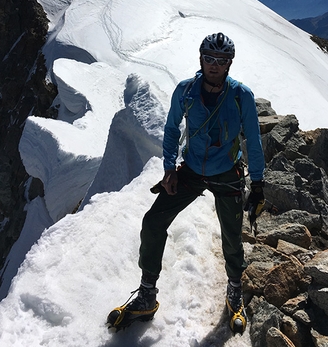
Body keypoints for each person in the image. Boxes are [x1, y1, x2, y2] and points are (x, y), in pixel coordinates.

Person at [107, 32, 265, 333]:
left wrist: (257, 184)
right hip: (191, 170)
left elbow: (253, 141)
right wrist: (169, 168)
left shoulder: (240, 95)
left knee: (232, 236)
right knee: (153, 222)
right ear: (200, 59)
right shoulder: (185, 91)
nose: (214, 65)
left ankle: (234, 290)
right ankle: (146, 295)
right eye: (209, 59)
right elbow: (170, 130)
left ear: (229, 63)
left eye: (221, 60)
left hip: (226, 172)